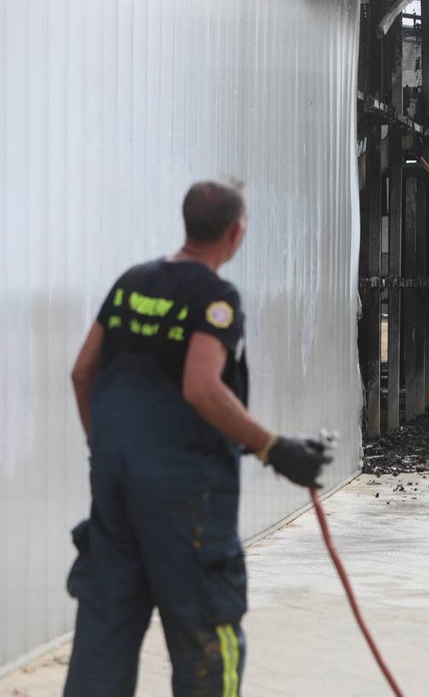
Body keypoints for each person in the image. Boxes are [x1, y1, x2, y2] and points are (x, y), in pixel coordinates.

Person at [64, 179, 331, 697]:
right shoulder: (216, 297)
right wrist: (275, 448)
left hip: (116, 491)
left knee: (104, 636)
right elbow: (201, 387)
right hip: (184, 501)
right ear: (235, 233)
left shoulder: (131, 283)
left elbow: (81, 373)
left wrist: (105, 449)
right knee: (206, 635)